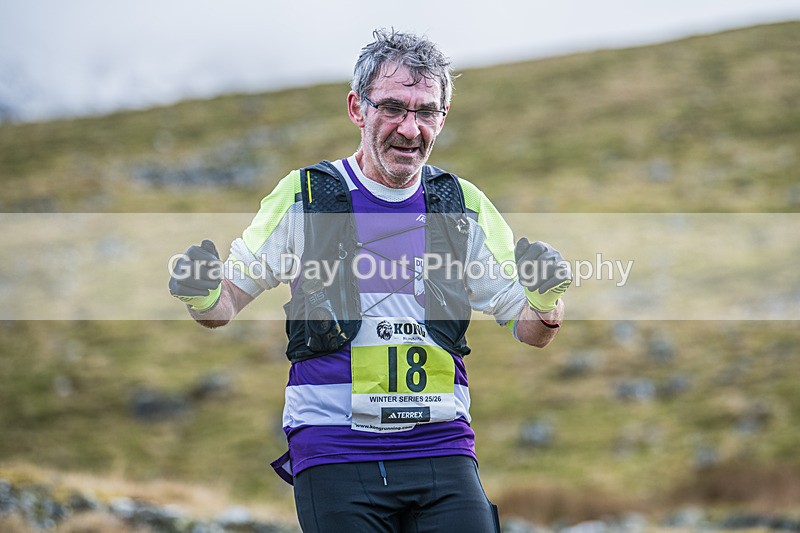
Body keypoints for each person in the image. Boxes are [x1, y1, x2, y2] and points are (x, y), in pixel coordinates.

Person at [169, 29, 572, 533]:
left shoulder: (462, 204)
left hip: (440, 444)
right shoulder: (306, 196)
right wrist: (204, 293)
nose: (411, 128)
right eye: (394, 108)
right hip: (334, 449)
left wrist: (546, 300)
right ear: (357, 108)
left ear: (443, 118)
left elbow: (532, 330)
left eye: (427, 112)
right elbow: (226, 302)